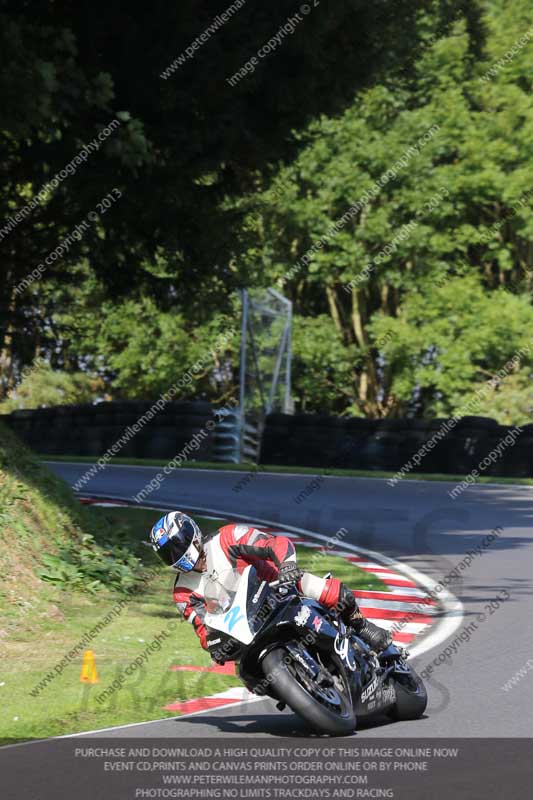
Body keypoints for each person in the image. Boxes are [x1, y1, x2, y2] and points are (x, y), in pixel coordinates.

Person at [149, 511, 391, 661]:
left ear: (192, 532)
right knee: (248, 676)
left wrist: (286, 566)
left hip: (279, 589)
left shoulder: (228, 537)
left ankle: (361, 625)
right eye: (168, 552)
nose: (177, 553)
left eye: (178, 544)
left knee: (329, 592)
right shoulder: (182, 594)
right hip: (246, 629)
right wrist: (214, 646)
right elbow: (203, 630)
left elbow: (274, 543)